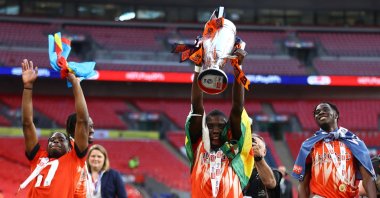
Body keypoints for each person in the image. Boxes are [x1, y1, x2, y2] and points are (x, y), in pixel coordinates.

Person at [184, 47, 254, 197]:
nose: (215, 130)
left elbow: (237, 108)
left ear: (227, 128)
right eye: (210, 126)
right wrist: (198, 67)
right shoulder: (198, 146)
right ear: (203, 128)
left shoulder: (234, 146)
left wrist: (238, 68)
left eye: (220, 126)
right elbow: (197, 107)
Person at [19, 59, 89, 197]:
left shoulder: (74, 158)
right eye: (51, 140)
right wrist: (27, 87)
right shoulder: (38, 157)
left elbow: (82, 121)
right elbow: (27, 123)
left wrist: (75, 83)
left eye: (60, 139)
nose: (55, 141)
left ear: (70, 147)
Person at [292, 102, 377, 198]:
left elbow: (368, 179)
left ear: (336, 114)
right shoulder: (308, 145)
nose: (320, 112)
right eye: (317, 112)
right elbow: (303, 185)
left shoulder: (355, 142)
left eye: (325, 109)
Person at [66, 113, 96, 198]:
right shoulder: (69, 150)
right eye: (89, 126)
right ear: (78, 127)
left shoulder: (76, 152)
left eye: (92, 126)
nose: (93, 130)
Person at [243, 133, 282, 198]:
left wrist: (258, 158)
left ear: (264, 152)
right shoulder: (238, 171)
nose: (254, 149)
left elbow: (270, 183)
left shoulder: (274, 172)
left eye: (259, 147)